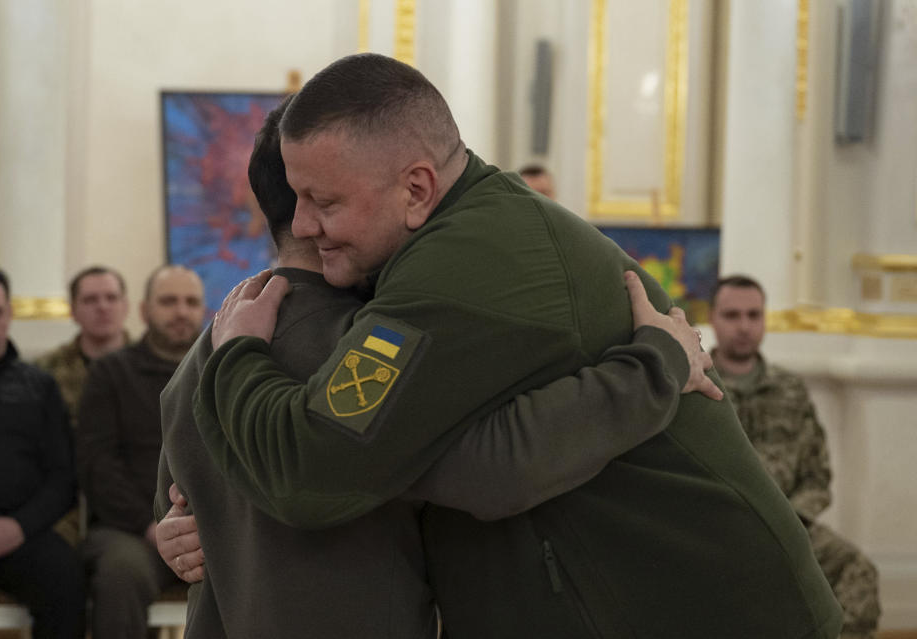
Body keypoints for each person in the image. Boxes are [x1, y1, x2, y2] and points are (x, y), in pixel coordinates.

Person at [198, 53, 842, 637]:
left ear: (417, 189)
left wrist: (236, 359)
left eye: (323, 201)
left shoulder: (457, 270)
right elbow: (489, 465)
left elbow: (313, 473)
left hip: (695, 609)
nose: (303, 226)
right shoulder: (446, 242)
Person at [154, 102, 707, 638]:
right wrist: (656, 366)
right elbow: (499, 464)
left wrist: (173, 532)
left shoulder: (208, 349)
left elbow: (175, 506)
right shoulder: (371, 349)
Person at [710, 274, 881, 639]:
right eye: (732, 315)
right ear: (712, 319)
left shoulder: (790, 389)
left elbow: (818, 476)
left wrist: (790, 521)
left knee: (857, 569)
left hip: (791, 530)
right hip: (716, 531)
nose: (744, 326)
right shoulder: (694, 384)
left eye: (754, 315)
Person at [0, 262, 84, 639]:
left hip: (19, 537)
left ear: (9, 313)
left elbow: (62, 477)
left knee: (67, 580)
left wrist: (18, 526)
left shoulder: (40, 386)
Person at [77, 265, 203, 639]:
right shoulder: (110, 373)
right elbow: (98, 466)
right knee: (121, 573)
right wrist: (153, 526)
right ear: (145, 310)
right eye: (168, 301)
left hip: (209, 527)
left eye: (191, 302)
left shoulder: (225, 368)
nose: (181, 311)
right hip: (132, 531)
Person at [35, 265, 130, 545]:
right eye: (90, 300)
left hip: (133, 493)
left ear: (125, 306)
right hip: (66, 496)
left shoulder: (147, 366)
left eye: (111, 298)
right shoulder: (45, 372)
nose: (102, 307)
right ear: (73, 311)